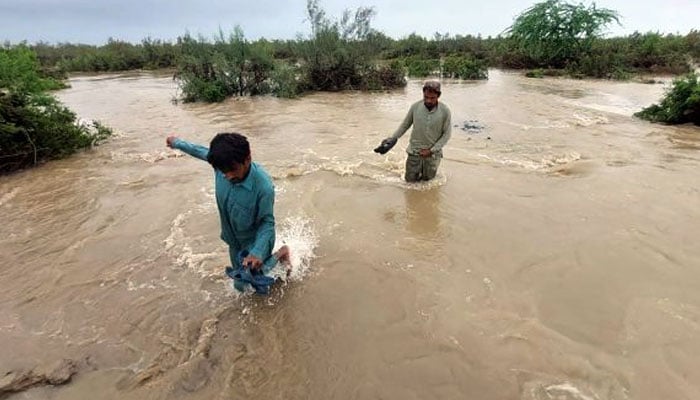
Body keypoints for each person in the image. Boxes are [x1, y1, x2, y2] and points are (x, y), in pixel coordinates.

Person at [166, 132, 289, 293]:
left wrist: (257, 252)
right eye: (223, 171)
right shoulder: (221, 166)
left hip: (256, 240)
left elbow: (267, 223)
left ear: (247, 159)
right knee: (240, 280)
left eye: (233, 170)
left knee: (246, 284)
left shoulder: (263, 187)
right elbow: (199, 151)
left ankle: (281, 253)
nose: (228, 175)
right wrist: (176, 142)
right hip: (233, 239)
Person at [374, 80, 452, 182]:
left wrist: (431, 150)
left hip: (433, 156)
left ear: (438, 96)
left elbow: (447, 134)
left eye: (432, 98)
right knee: (409, 182)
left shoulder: (445, 111)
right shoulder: (415, 107)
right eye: (426, 97)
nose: (428, 101)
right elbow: (405, 125)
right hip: (415, 152)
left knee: (429, 183)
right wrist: (392, 139)